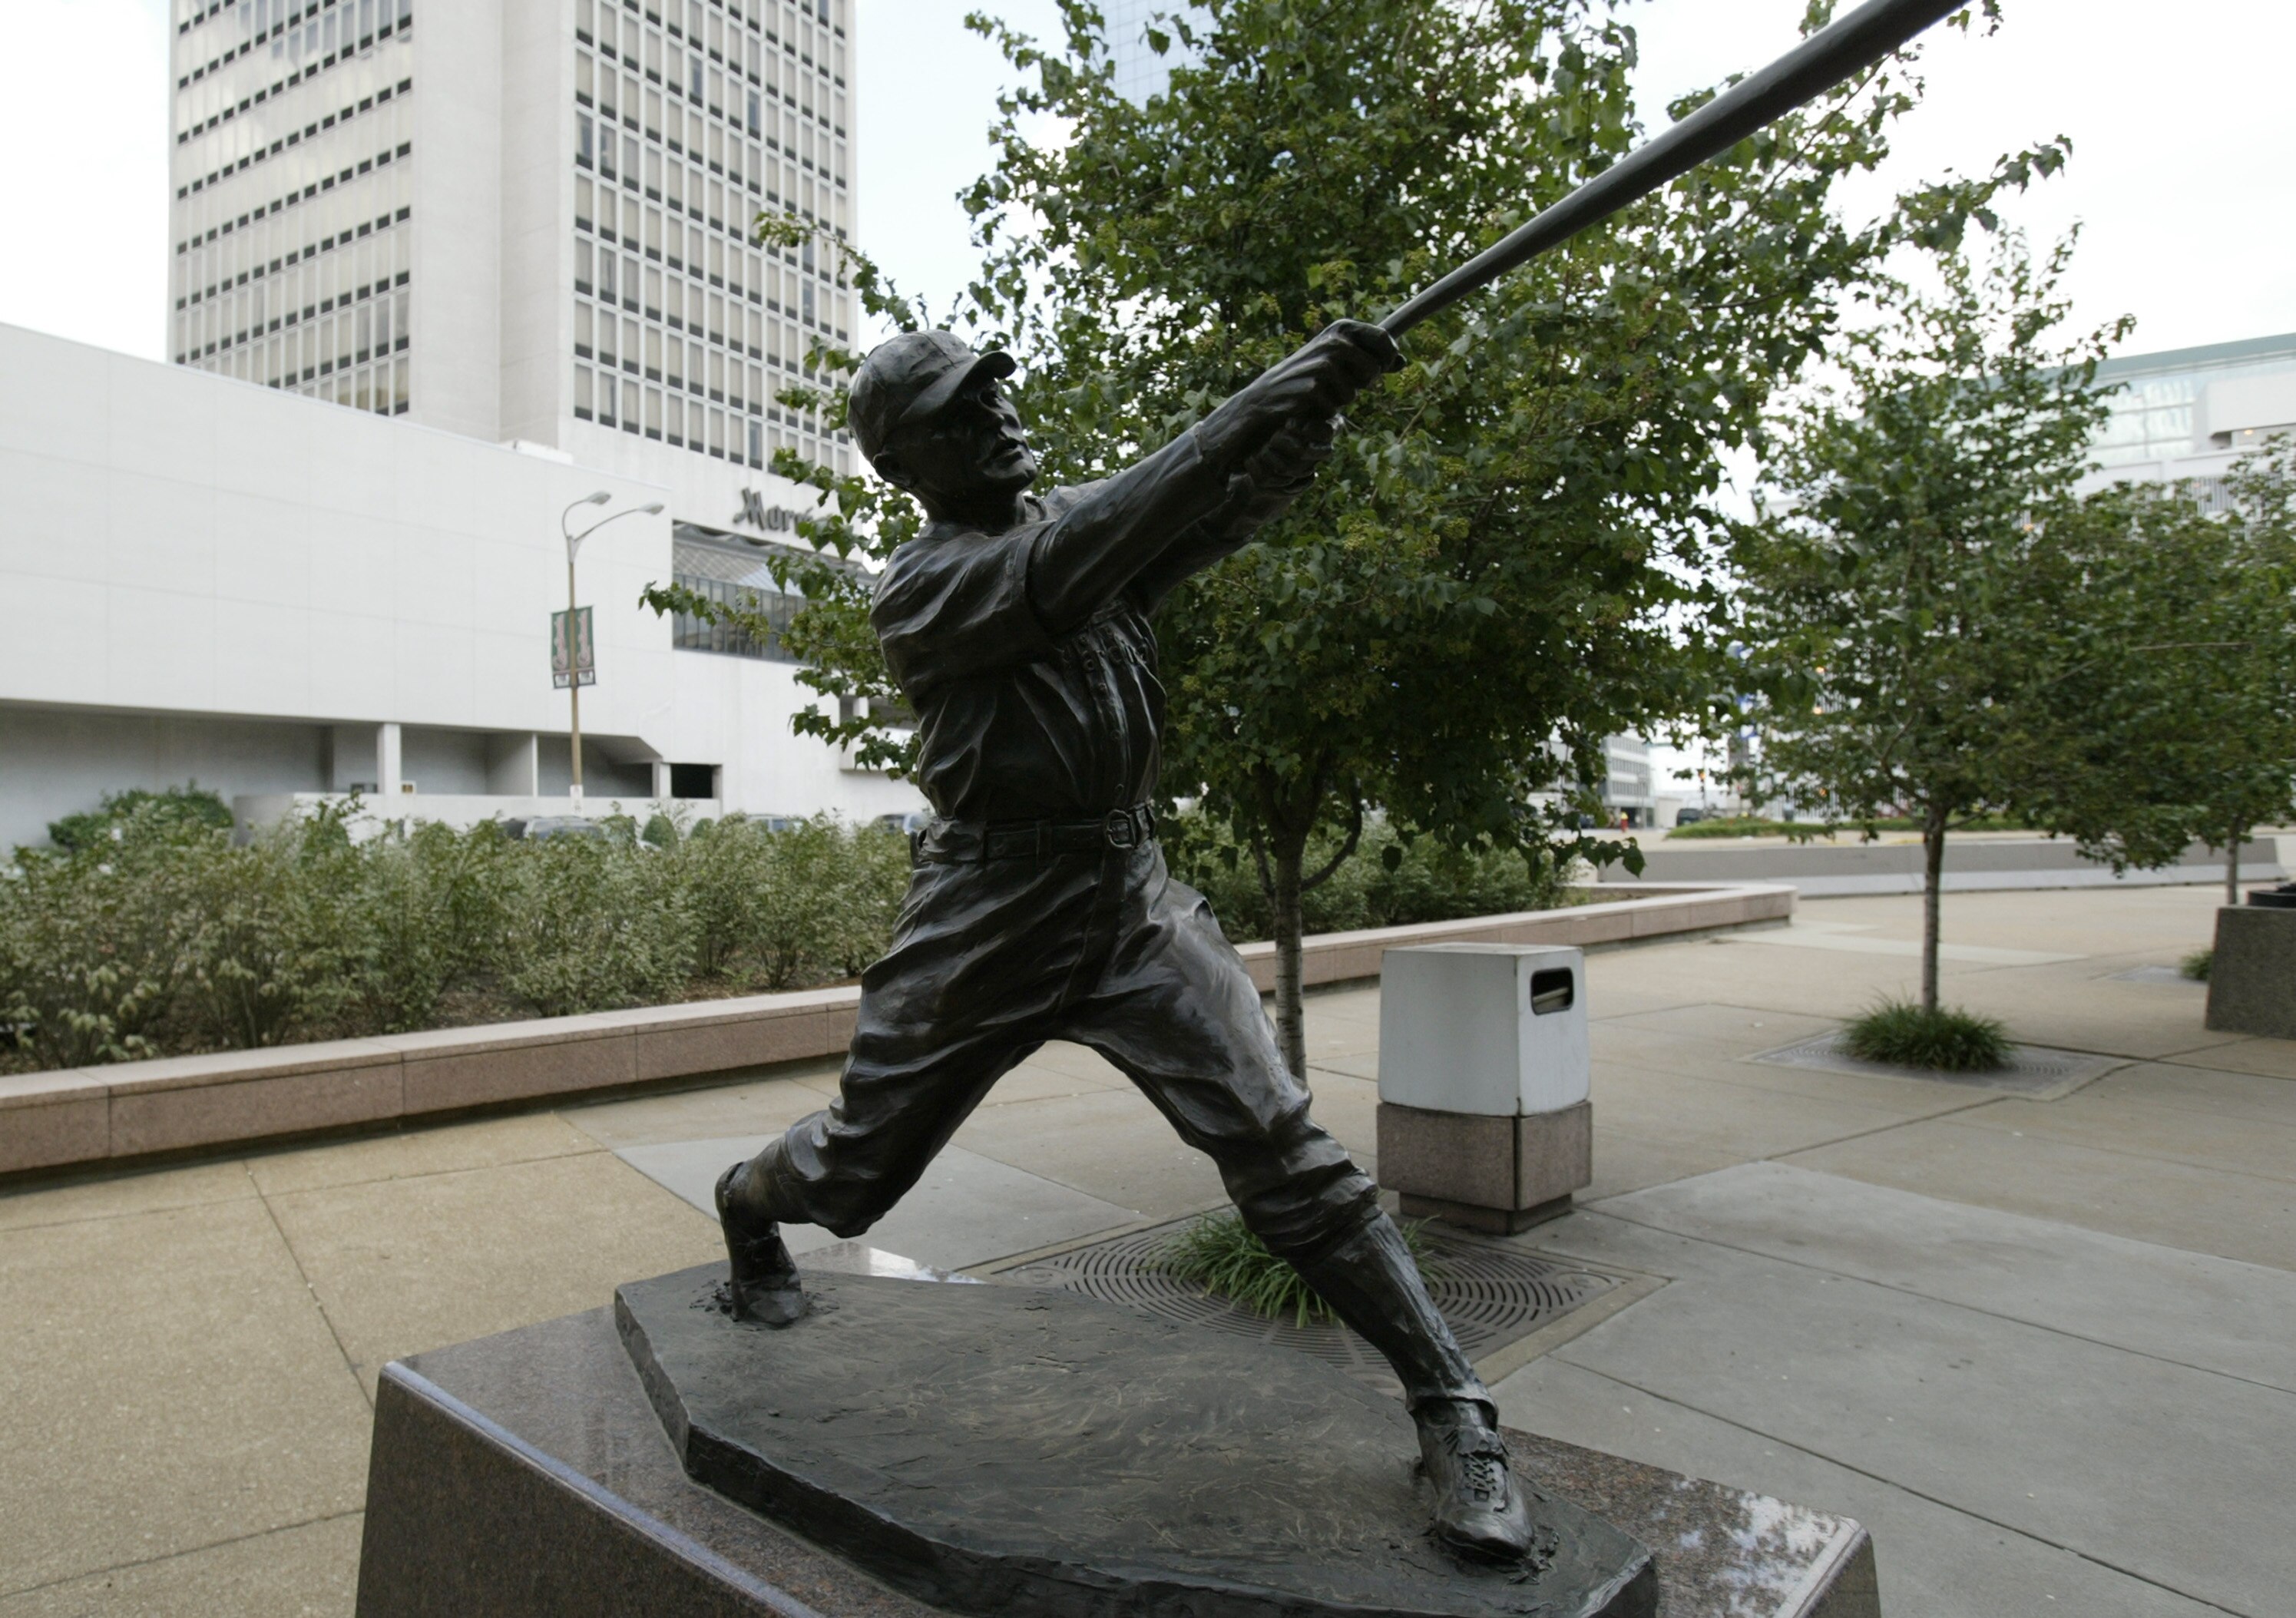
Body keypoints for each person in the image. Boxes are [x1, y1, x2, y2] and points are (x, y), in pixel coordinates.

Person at [713, 323, 1533, 1560]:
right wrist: (1243, 408)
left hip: (1129, 896)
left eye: (994, 391)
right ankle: (744, 1204)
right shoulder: (926, 586)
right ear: (905, 459)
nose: (996, 413)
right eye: (957, 410)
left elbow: (1204, 513)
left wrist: (1296, 427)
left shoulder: (1075, 524)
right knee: (852, 1178)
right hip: (987, 913)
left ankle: (1453, 1411)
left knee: (1286, 1151)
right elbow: (1101, 542)